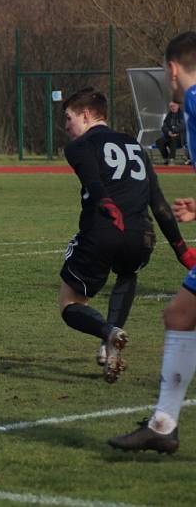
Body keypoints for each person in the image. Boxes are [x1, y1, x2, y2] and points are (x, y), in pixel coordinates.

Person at [57, 87, 196, 384]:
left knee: (69, 304)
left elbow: (92, 180)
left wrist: (106, 205)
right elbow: (158, 204)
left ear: (85, 115)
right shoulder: (135, 145)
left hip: (104, 228)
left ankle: (109, 332)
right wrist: (182, 249)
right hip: (141, 236)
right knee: (127, 275)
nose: (65, 126)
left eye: (68, 118)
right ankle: (109, 350)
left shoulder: (79, 146)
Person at [109, 31, 196, 454]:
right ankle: (163, 424)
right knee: (179, 315)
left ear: (172, 68)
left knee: (179, 316)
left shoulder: (195, 101)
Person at [155, 101, 185, 165]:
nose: (172, 108)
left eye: (174, 106)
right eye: (171, 106)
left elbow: (183, 126)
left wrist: (174, 131)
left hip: (181, 138)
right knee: (158, 141)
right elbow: (164, 126)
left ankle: (172, 159)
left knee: (173, 139)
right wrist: (168, 132)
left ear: (178, 106)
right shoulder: (169, 115)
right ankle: (166, 158)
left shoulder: (182, 114)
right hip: (169, 135)